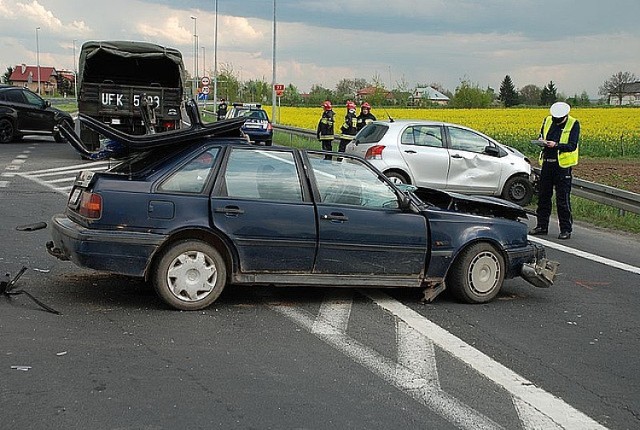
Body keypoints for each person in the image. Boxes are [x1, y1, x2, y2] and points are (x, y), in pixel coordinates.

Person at [529, 101, 580, 240]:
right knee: (543, 197)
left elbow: (572, 146)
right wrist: (542, 141)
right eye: (555, 119)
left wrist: (556, 145)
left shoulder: (573, 124)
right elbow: (542, 134)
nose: (556, 122)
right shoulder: (547, 120)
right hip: (547, 164)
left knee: (562, 199)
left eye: (559, 120)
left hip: (562, 167)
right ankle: (542, 226)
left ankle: (565, 229)